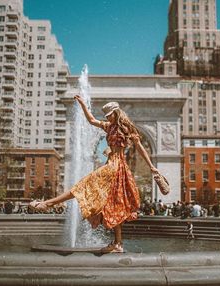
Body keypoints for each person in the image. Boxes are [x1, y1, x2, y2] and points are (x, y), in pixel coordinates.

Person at [30, 95, 159, 253]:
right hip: (114, 167)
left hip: (115, 167)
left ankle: (48, 204)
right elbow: (91, 120)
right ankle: (118, 244)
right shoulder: (109, 126)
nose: (107, 118)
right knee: (115, 204)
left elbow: (140, 148)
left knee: (83, 185)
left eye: (109, 115)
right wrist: (83, 104)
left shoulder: (126, 128)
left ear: (116, 113)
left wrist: (152, 166)